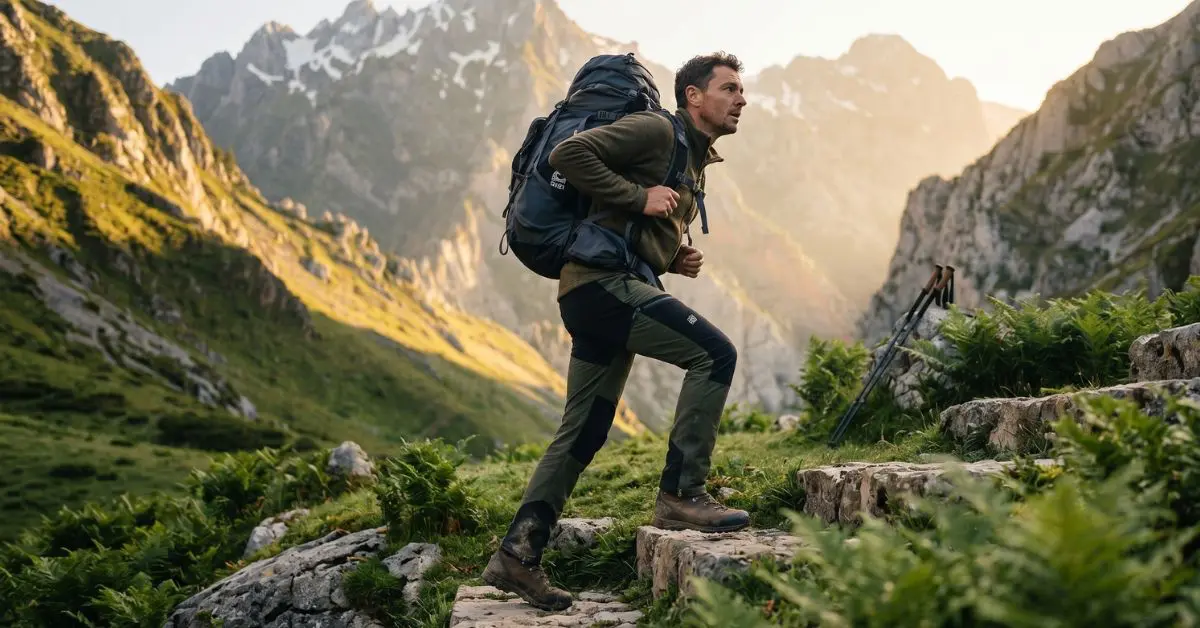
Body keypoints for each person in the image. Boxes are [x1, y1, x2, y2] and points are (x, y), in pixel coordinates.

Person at [482, 52, 749, 611]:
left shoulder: (691, 158)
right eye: (728, 89)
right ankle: (682, 494)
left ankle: (516, 557)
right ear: (693, 97)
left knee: (582, 432)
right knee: (714, 354)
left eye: (741, 91)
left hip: (599, 289)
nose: (740, 99)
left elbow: (622, 224)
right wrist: (639, 198)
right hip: (602, 286)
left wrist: (671, 256)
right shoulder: (657, 130)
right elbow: (569, 153)